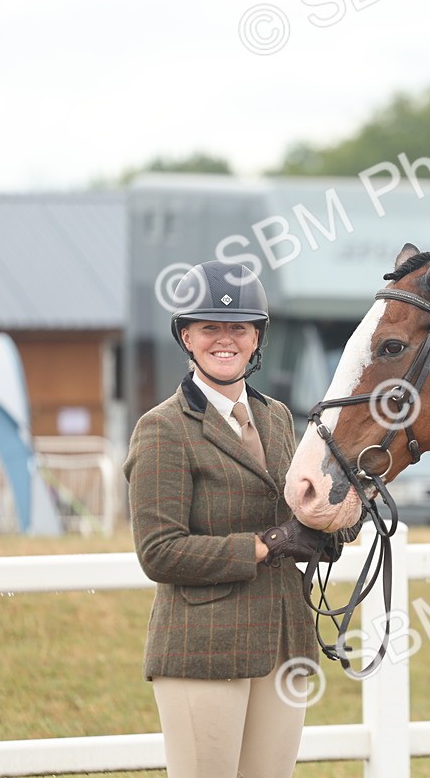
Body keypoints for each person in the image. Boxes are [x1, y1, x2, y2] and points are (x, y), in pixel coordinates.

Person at [124, 260, 326, 778]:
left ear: (256, 337)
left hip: (283, 643)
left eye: (239, 328)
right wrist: (265, 545)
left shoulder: (279, 417)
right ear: (187, 336)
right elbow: (160, 551)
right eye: (210, 327)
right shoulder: (163, 429)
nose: (225, 339)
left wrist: (335, 517)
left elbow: (300, 510)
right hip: (203, 647)